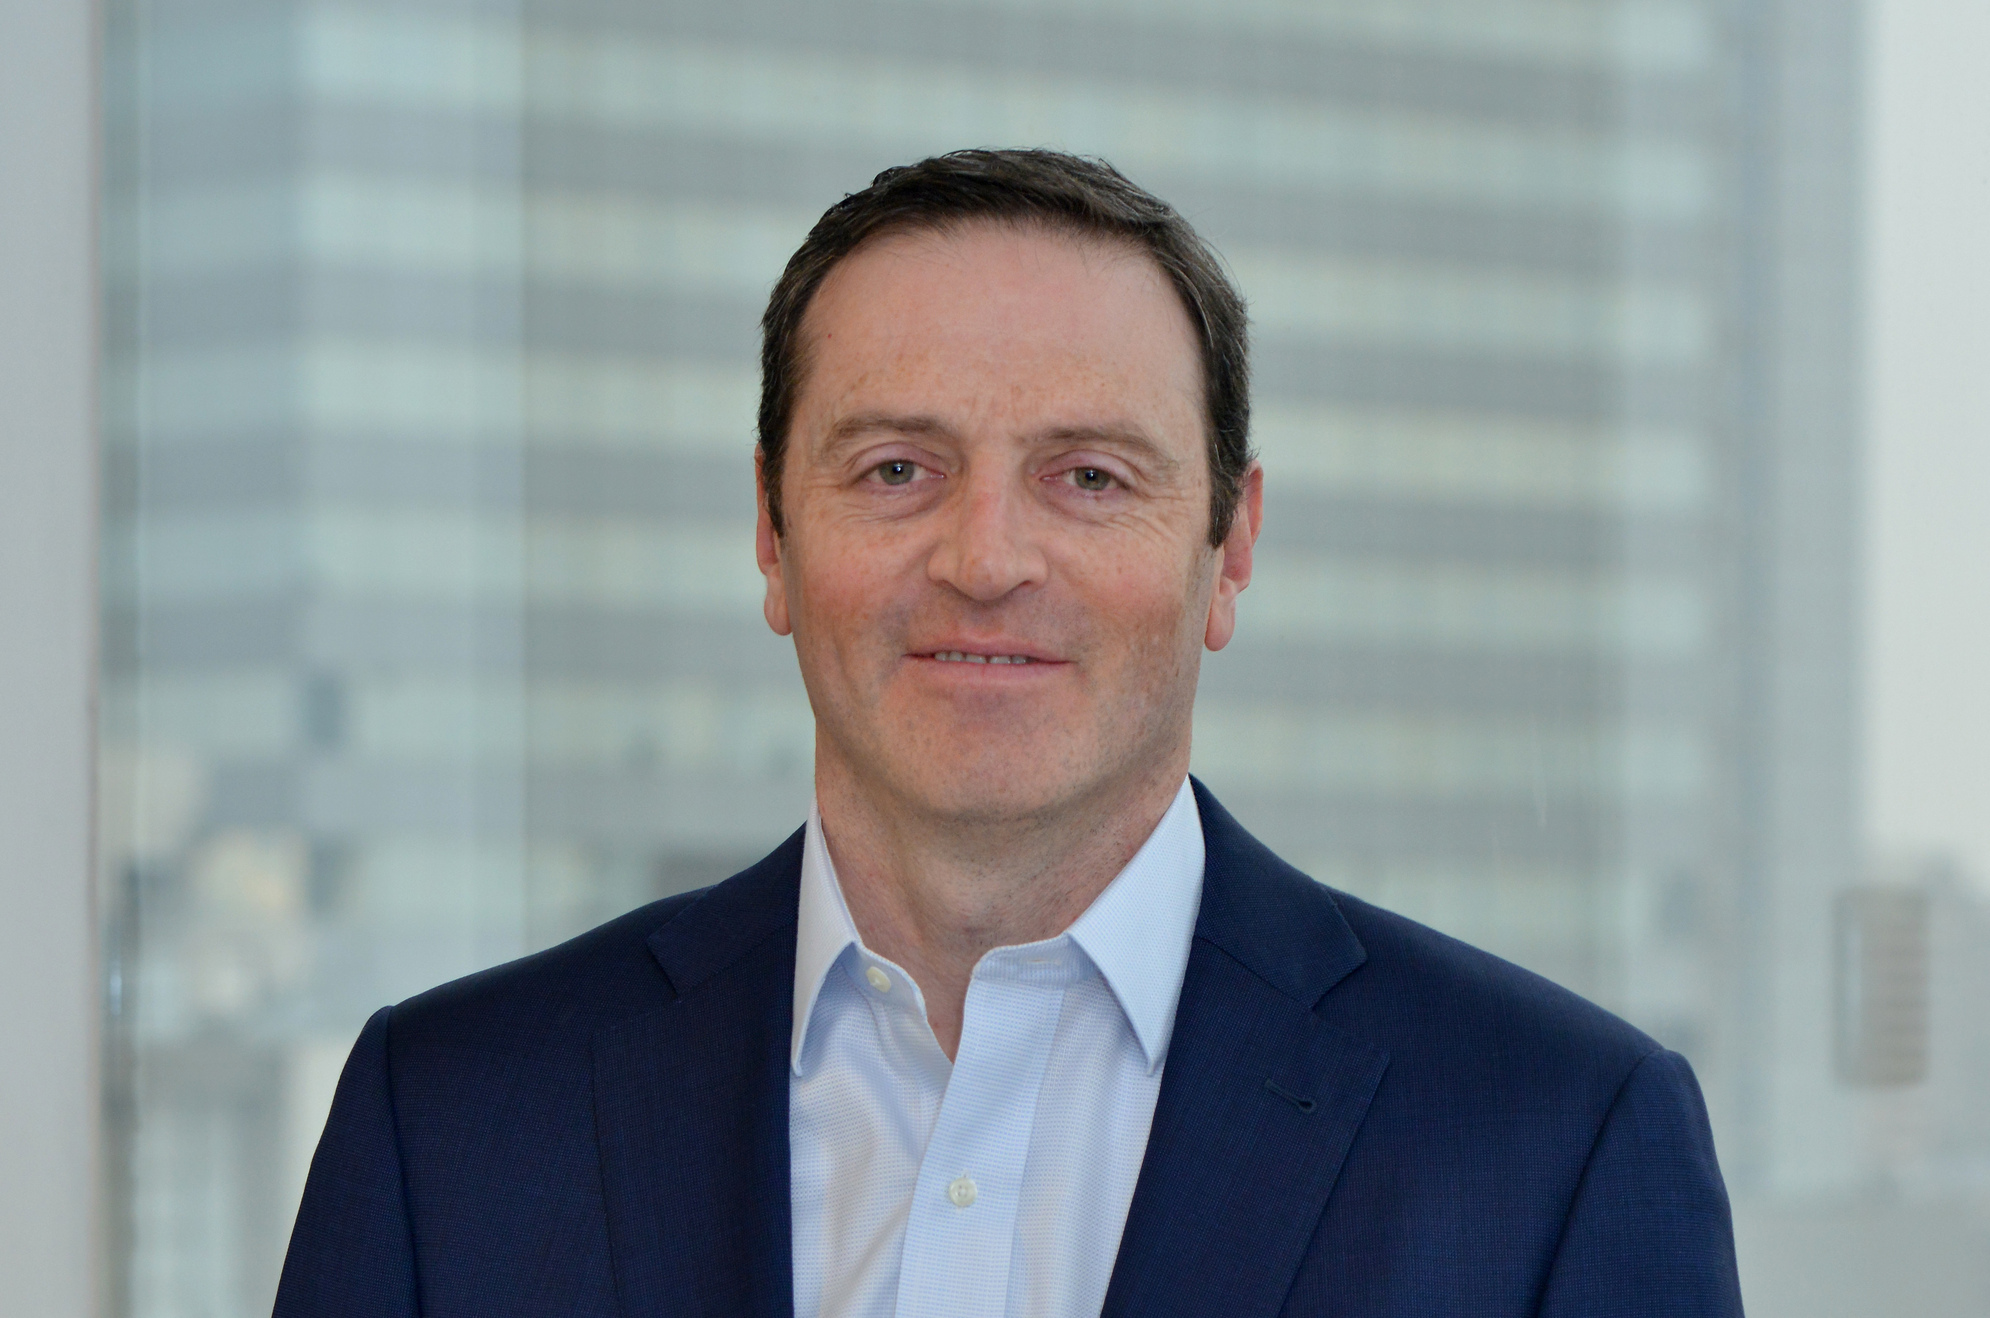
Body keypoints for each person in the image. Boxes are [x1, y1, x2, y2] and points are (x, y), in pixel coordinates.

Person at [275, 149, 1742, 1318]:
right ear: (772, 537)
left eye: (1090, 477)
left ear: (1229, 548)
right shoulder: (450, 1120)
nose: (985, 558)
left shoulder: (1553, 1142)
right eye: (895, 468)